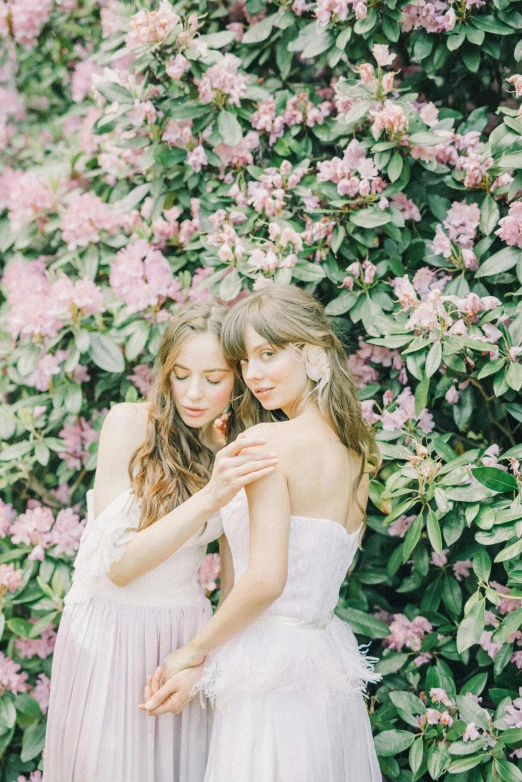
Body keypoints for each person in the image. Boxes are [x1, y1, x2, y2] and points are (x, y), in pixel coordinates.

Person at [142, 285, 383, 782]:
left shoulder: (267, 442)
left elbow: (267, 579)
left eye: (268, 354)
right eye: (246, 360)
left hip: (267, 667)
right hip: (322, 661)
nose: (253, 375)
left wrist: (191, 652)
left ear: (313, 350)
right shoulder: (361, 456)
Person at [42, 301, 278, 782]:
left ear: (238, 379)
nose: (194, 393)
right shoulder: (128, 424)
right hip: (109, 629)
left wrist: (202, 663)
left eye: (214, 380)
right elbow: (120, 567)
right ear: (165, 373)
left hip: (182, 636)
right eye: (181, 375)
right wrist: (213, 494)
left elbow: (234, 587)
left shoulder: (236, 448)